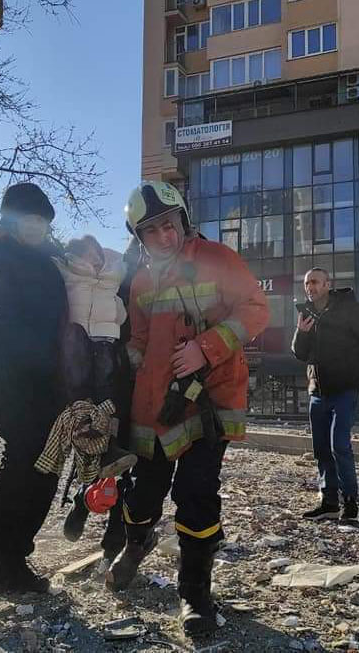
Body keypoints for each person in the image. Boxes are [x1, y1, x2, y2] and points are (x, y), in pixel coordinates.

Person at [105, 181, 269, 637]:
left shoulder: (218, 259)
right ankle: (137, 543)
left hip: (209, 400)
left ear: (183, 219)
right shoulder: (139, 279)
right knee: (140, 494)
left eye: (169, 224)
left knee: (196, 495)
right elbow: (138, 339)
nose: (164, 235)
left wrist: (207, 346)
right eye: (151, 230)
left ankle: (194, 592)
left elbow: (256, 309)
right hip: (153, 406)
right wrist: (119, 364)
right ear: (140, 238)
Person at [0, 182, 76, 596]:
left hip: (47, 380)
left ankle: (15, 556)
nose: (39, 228)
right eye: (31, 220)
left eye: (44, 222)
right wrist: (43, 358)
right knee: (23, 458)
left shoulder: (44, 260)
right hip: (10, 378)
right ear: (11, 220)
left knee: (46, 464)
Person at [55, 234, 138, 562]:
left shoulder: (151, 271)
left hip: (141, 374)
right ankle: (82, 500)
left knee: (130, 461)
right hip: (114, 367)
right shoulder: (123, 272)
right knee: (98, 443)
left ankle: (115, 541)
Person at [292, 267, 359, 522]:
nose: (311, 287)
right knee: (321, 449)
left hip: (346, 389)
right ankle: (329, 502)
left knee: (339, 446)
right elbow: (299, 353)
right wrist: (302, 332)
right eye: (307, 283)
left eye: (316, 282)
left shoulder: (348, 309)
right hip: (318, 392)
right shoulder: (307, 314)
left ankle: (351, 503)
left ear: (327, 284)